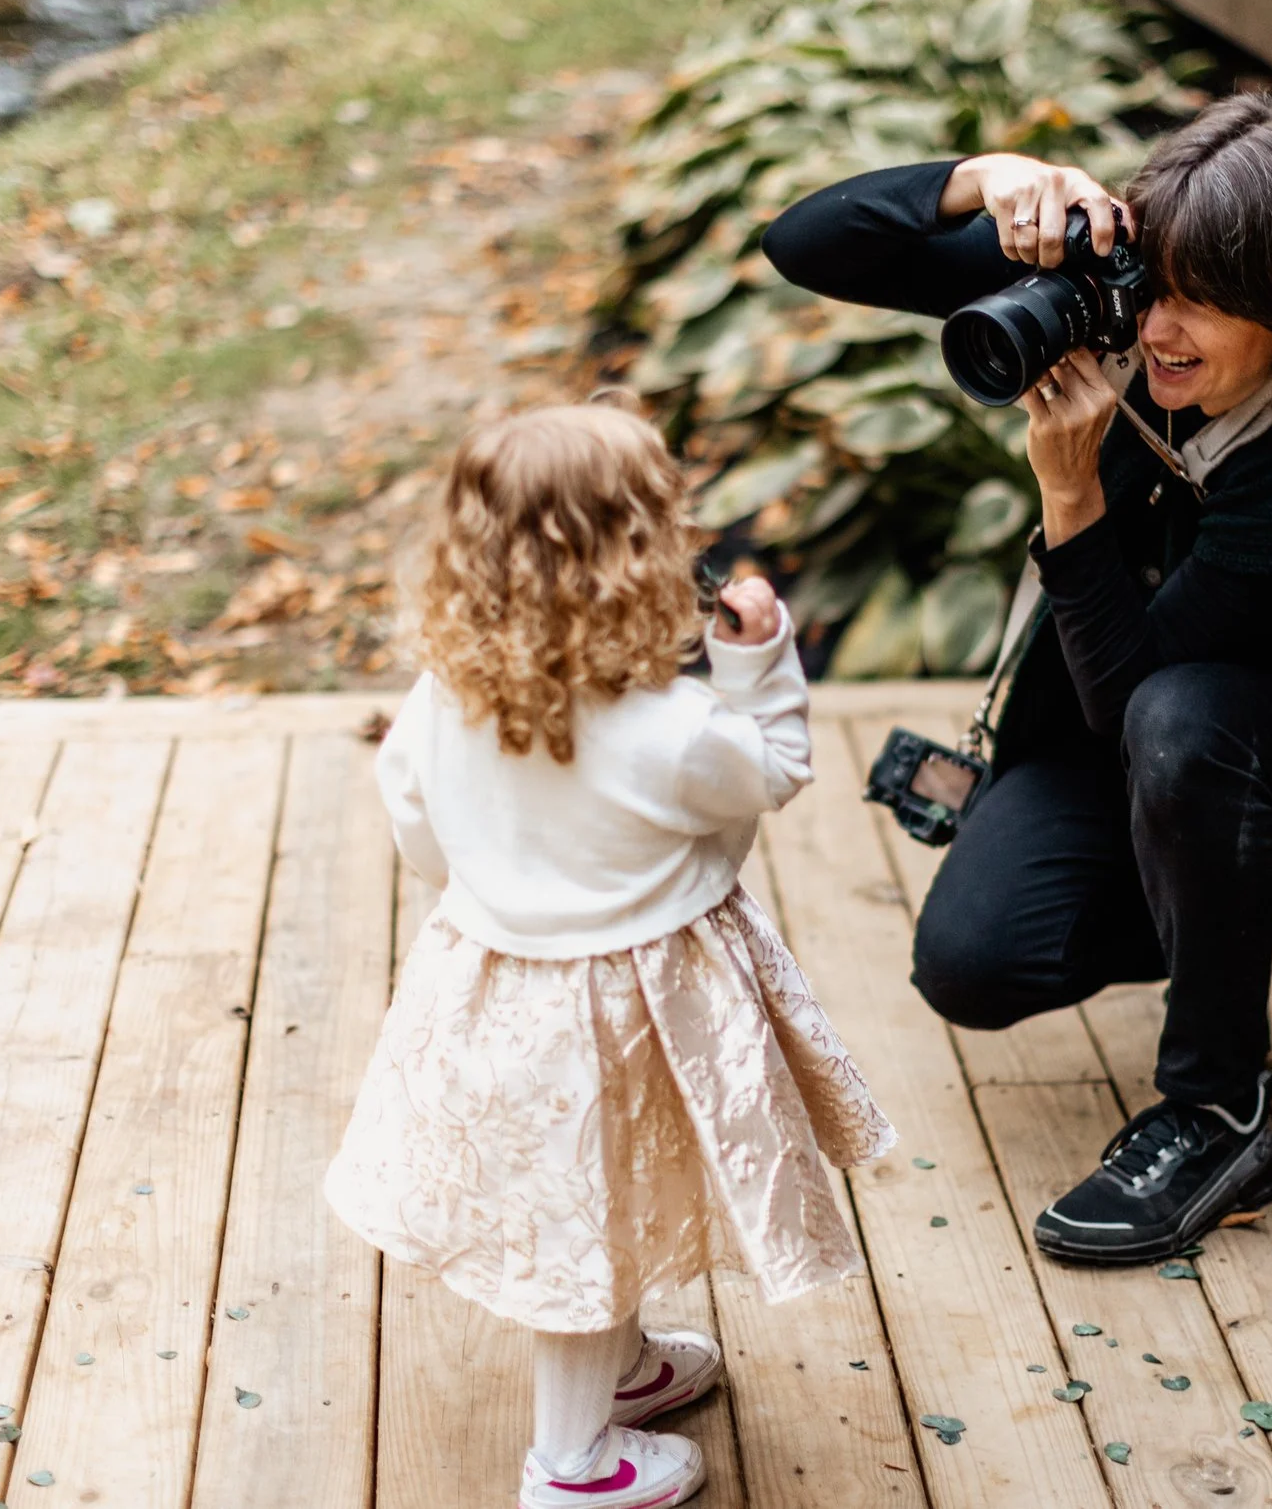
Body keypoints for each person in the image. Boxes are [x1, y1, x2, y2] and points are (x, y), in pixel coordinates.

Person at [761, 90, 1272, 1265]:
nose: (1155, 331)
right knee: (974, 961)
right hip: (1152, 736)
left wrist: (1072, 490)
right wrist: (986, 178)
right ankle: (1206, 898)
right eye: (1155, 288)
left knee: (1184, 722)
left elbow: (1133, 692)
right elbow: (807, 242)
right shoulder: (1123, 290)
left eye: (1201, 304)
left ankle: (1219, 1107)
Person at [325, 405, 894, 1509]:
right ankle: (572, 1465)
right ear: (639, 552)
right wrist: (756, 658)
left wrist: (496, 892)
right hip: (650, 1006)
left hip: (500, 988)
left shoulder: (448, 696)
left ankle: (623, 1373)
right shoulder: (673, 727)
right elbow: (771, 767)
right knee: (590, 1222)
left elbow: (411, 818)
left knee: (588, 1203)